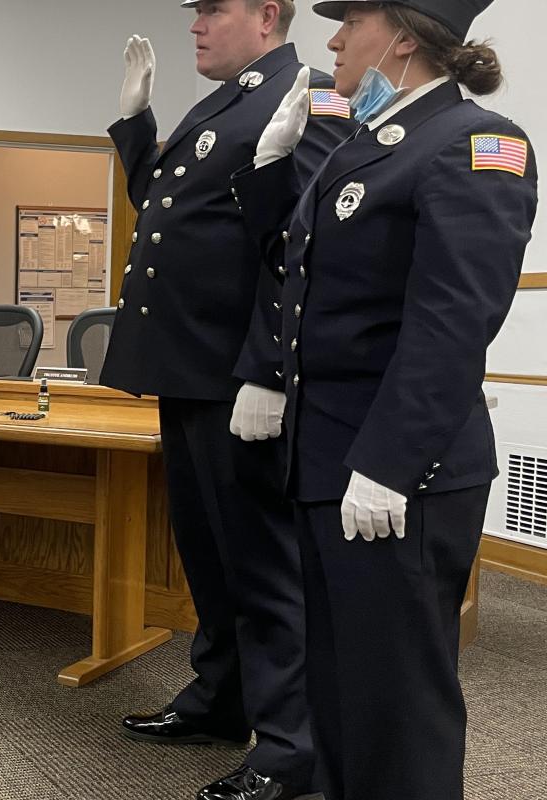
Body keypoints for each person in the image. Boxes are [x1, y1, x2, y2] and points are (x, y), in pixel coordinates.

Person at [229, 1, 537, 798]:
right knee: (338, 692)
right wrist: (271, 170)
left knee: (397, 704)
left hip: (398, 474)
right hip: (330, 459)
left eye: (352, 21)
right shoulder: (368, 144)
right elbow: (302, 274)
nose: (332, 39)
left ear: (403, 35)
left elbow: (453, 320)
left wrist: (391, 462)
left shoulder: (476, 143)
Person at [100, 2, 353, 798]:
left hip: (240, 376)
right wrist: (135, 124)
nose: (196, 24)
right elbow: (167, 204)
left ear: (268, 14)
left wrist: (270, 369)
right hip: (190, 368)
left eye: (214, 8)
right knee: (207, 554)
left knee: (262, 568)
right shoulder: (224, 103)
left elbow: (304, 246)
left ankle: (289, 748)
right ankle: (221, 697)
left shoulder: (309, 93)